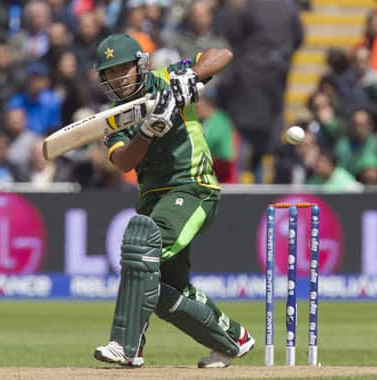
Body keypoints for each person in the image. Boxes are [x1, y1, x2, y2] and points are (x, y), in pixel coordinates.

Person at [92, 33, 254, 369]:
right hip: (153, 197)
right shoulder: (114, 116)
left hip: (192, 186)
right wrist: (148, 130)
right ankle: (231, 340)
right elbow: (123, 162)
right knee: (163, 290)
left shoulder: (167, 79)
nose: (118, 78)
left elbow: (222, 52)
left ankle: (126, 345)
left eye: (123, 69)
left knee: (141, 242)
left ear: (139, 65)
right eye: (110, 73)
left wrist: (190, 77)